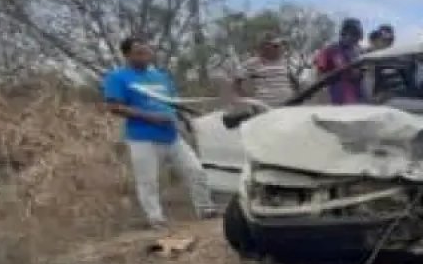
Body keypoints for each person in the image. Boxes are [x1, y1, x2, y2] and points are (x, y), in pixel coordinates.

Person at [102, 37, 216, 230]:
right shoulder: (118, 77)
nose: (145, 56)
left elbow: (173, 102)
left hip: (171, 134)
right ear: (127, 55)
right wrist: (150, 117)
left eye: (147, 52)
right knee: (148, 181)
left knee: (195, 170)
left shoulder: (161, 76)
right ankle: (156, 219)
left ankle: (205, 210)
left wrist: (186, 118)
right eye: (139, 52)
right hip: (142, 137)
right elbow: (114, 106)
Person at [226, 33, 296, 110]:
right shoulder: (252, 63)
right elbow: (236, 84)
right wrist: (248, 100)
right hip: (265, 107)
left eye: (280, 46)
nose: (280, 48)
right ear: (264, 47)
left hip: (288, 105)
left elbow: (295, 82)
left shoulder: (286, 62)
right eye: (276, 46)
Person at [314, 18, 366, 104]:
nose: (355, 39)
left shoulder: (360, 53)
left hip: (357, 100)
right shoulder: (331, 50)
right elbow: (319, 74)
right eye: (353, 35)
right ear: (344, 33)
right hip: (336, 100)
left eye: (357, 36)